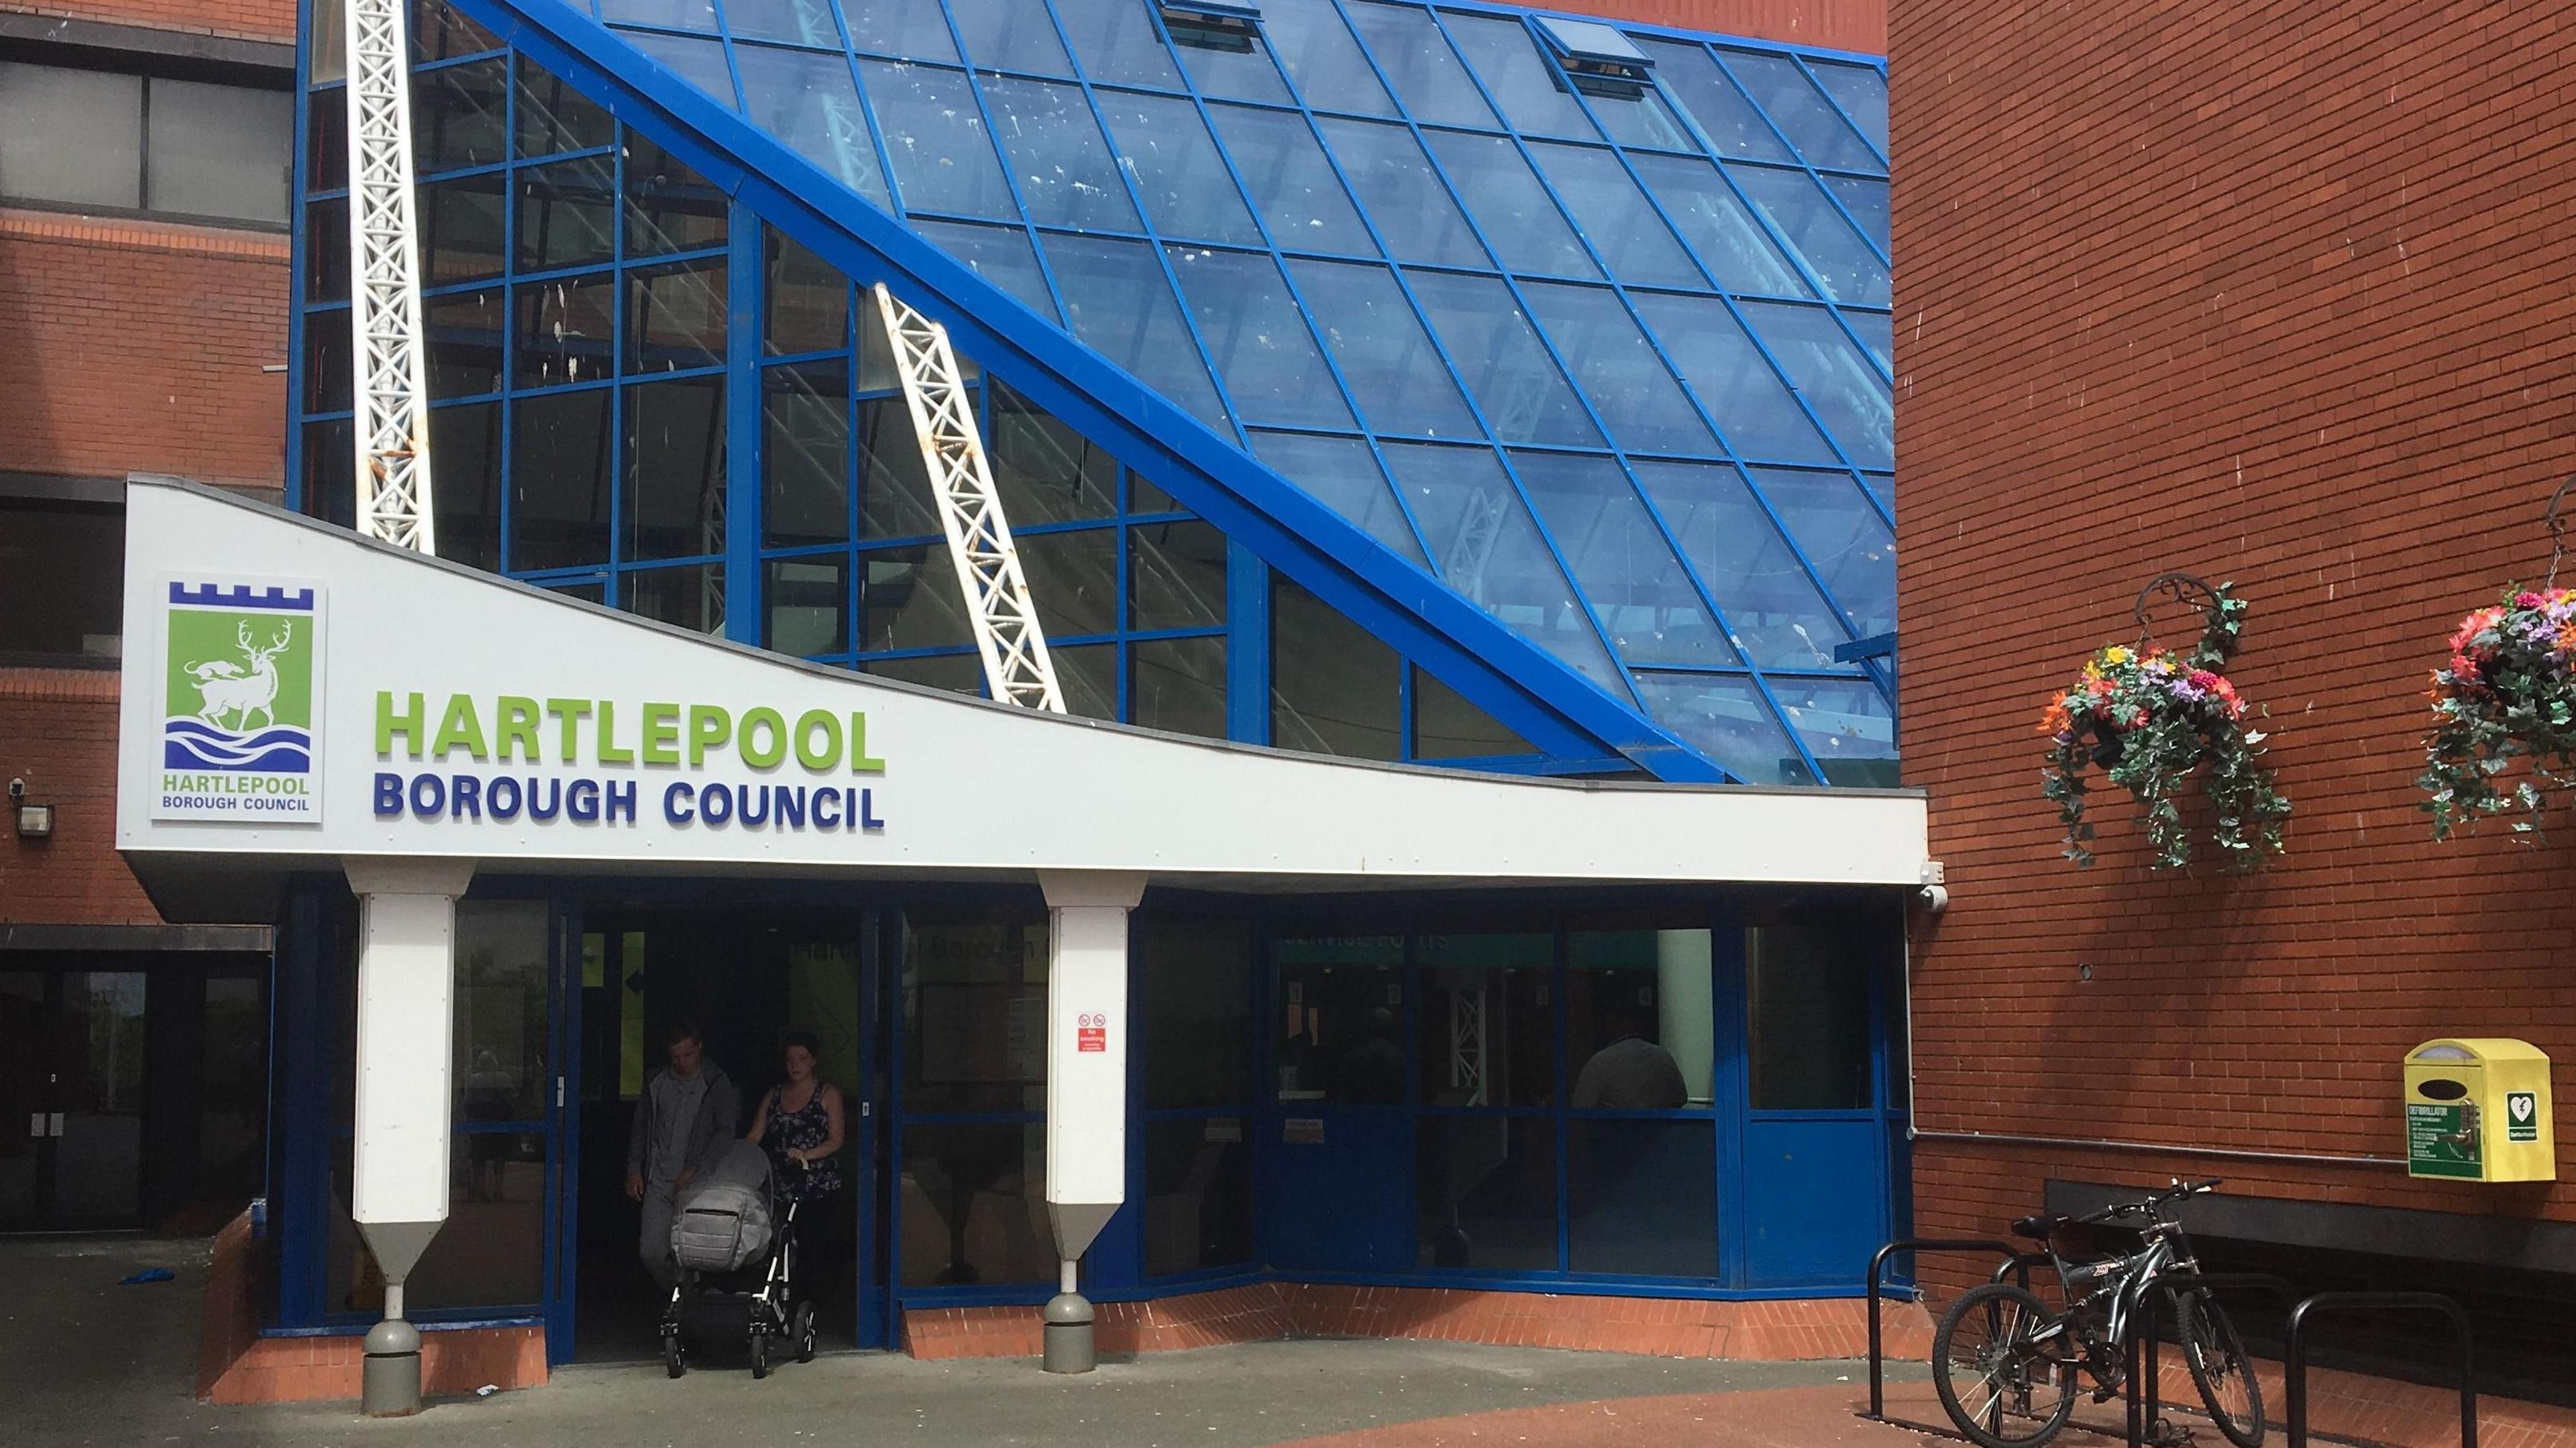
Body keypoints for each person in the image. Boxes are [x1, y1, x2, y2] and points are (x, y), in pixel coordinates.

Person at [626, 1019, 739, 1296]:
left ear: (699, 1047)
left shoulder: (715, 1081)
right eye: (675, 1057)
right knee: (651, 1252)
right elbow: (641, 1126)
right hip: (659, 1179)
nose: (682, 1062)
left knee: (692, 1252)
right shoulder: (656, 1081)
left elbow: (725, 1132)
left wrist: (697, 1168)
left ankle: (690, 1309)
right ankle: (687, 1300)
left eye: (688, 1055)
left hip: (699, 1183)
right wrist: (634, 1167)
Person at [743, 1030, 845, 1204]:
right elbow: (754, 1136)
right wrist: (738, 1155)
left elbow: (836, 1140)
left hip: (819, 1186)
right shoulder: (774, 1095)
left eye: (802, 1058)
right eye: (789, 1059)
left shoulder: (828, 1094)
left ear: (813, 1061)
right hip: (779, 1186)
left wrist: (805, 1155)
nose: (795, 1065)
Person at [1571, 1001, 1688, 1109]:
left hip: (1612, 1131)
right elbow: (1681, 1098)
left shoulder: (1599, 1063)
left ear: (1610, 1024)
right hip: (1659, 1131)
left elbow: (1580, 1107)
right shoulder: (1662, 1056)